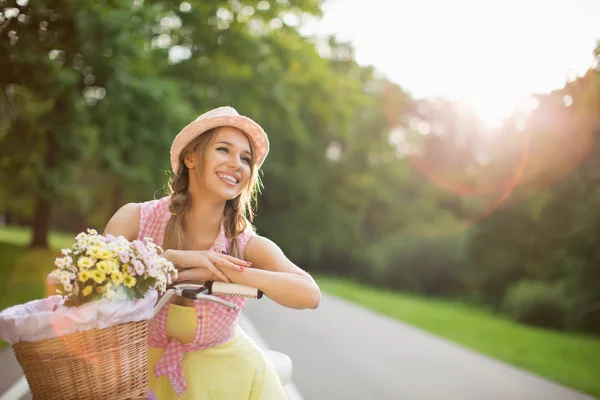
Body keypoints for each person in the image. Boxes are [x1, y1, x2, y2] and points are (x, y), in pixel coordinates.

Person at [103, 106, 321, 399]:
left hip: (228, 380)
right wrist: (175, 259)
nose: (237, 164)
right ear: (190, 157)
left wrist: (228, 272)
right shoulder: (135, 219)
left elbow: (309, 294)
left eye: (245, 159)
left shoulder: (243, 242)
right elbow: (90, 282)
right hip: (138, 372)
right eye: (223, 150)